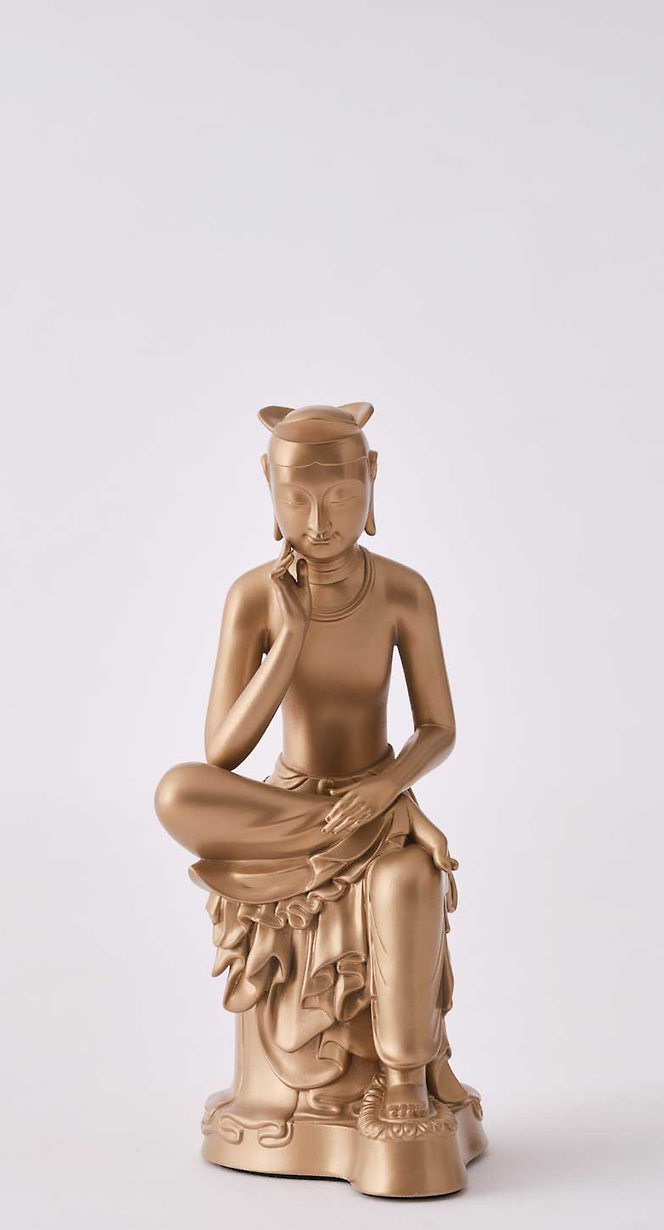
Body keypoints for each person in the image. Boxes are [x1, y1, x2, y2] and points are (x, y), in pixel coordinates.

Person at [155, 402, 474, 1132]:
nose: (320, 521)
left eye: (341, 496)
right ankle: (361, 833)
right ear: (267, 486)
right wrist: (290, 636)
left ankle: (404, 1077)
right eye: (296, 499)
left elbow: (439, 728)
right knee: (178, 791)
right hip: (293, 809)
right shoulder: (254, 596)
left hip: (372, 795)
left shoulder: (402, 590)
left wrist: (385, 789)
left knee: (406, 880)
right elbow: (222, 753)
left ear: (372, 480)